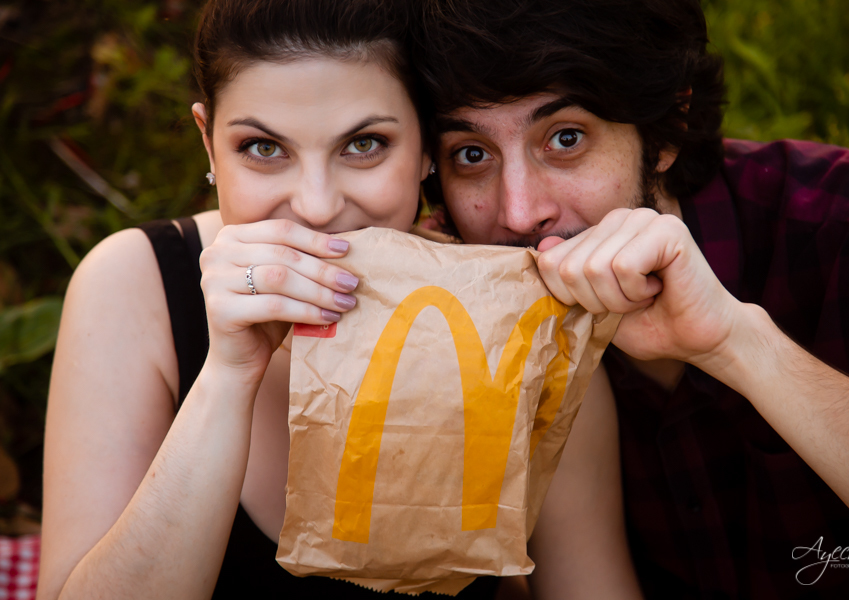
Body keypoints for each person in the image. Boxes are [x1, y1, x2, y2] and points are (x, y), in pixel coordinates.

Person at [37, 1, 636, 598]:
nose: (317, 206)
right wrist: (228, 375)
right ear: (209, 144)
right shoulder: (134, 286)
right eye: (264, 149)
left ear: (427, 149)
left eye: (364, 144)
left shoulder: (517, 320)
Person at [412, 0, 849, 597]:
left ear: (666, 126)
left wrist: (735, 344)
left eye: (566, 138)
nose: (519, 212)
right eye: (471, 155)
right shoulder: (463, 325)